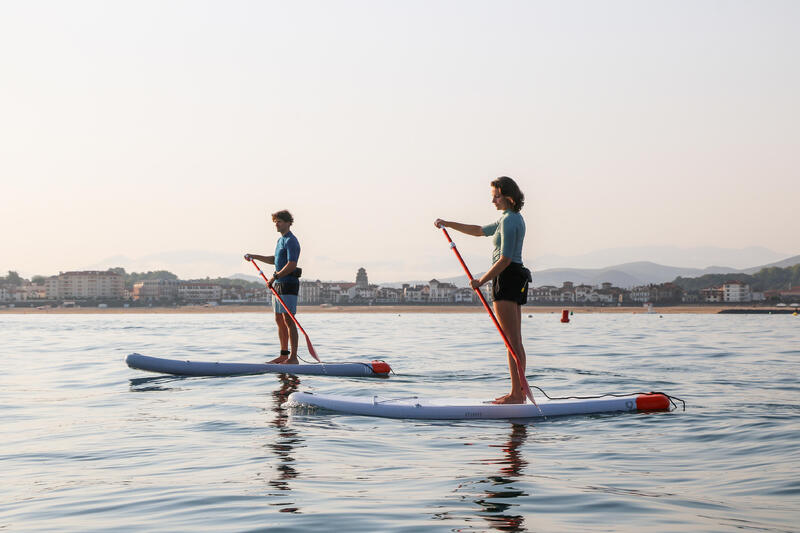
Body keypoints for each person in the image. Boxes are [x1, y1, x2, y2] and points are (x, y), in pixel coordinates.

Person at [434, 176, 531, 404]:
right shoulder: (513, 218)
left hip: (506, 277)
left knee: (511, 341)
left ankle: (517, 395)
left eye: (496, 196)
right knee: (515, 341)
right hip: (516, 276)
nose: (493, 201)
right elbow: (479, 231)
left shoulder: (508, 221)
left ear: (508, 197)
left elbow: (505, 258)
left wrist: (482, 281)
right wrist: (448, 224)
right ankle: (520, 393)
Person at [245, 210, 302, 364]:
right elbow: (275, 260)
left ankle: (293, 358)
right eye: (275, 221)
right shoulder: (280, 241)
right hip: (278, 284)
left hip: (289, 284)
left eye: (280, 221)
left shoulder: (291, 241)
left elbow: (291, 264)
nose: (277, 224)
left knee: (289, 320)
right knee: (279, 319)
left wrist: (274, 277)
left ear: (289, 223)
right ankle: (284, 354)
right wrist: (254, 256)